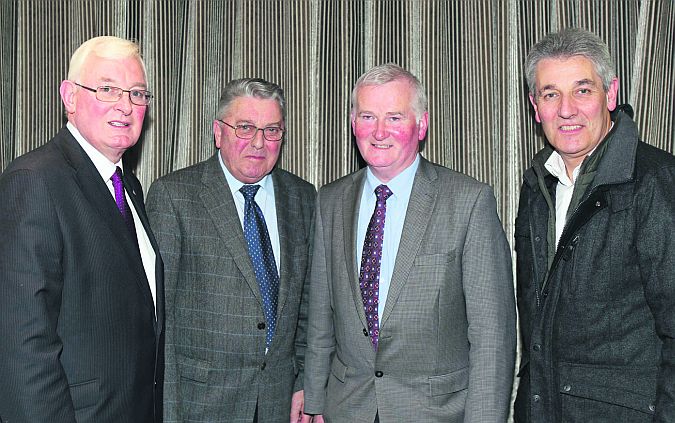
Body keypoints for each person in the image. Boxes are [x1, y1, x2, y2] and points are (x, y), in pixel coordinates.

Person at [302, 63, 516, 423]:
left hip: (435, 414)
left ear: (421, 124)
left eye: (395, 118)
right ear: (353, 124)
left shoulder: (468, 202)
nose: (379, 131)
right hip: (346, 409)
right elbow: (321, 319)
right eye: (368, 116)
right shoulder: (330, 201)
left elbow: (492, 337)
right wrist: (314, 401)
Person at [514, 27, 675, 422]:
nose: (567, 109)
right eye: (551, 94)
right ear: (536, 107)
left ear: (611, 93)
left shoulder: (655, 182)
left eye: (582, 90)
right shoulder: (537, 187)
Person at [0, 36, 164, 422]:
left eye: (137, 93)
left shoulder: (129, 186)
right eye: (107, 89)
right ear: (69, 97)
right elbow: (22, 343)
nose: (125, 105)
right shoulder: (34, 181)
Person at [146, 77, 316, 423]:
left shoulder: (302, 197)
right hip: (201, 405)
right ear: (218, 132)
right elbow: (160, 322)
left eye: (272, 130)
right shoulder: (174, 196)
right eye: (245, 127)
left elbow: (308, 308)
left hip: (278, 404)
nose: (258, 142)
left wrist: (303, 383)